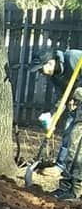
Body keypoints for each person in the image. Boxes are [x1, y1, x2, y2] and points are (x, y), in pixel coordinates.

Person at [30, 49, 82, 200]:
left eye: (41, 69)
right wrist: (53, 116)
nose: (41, 73)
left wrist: (77, 93)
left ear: (51, 62)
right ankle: (68, 187)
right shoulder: (54, 76)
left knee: (77, 145)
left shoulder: (73, 57)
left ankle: (73, 190)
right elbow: (61, 96)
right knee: (71, 138)